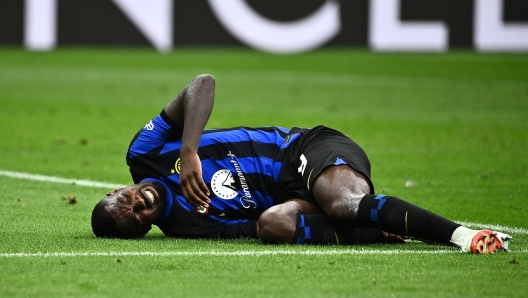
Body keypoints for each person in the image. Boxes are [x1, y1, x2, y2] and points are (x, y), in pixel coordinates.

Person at [91, 74, 512, 254]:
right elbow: (258, 225)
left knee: (342, 204)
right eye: (137, 217)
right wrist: (283, 215)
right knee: (273, 226)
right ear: (146, 228)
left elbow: (202, 84)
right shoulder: (186, 224)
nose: (138, 203)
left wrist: (189, 151)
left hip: (304, 149)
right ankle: (373, 231)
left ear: (117, 189)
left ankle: (461, 235)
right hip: (291, 197)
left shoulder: (144, 155)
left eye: (125, 200)